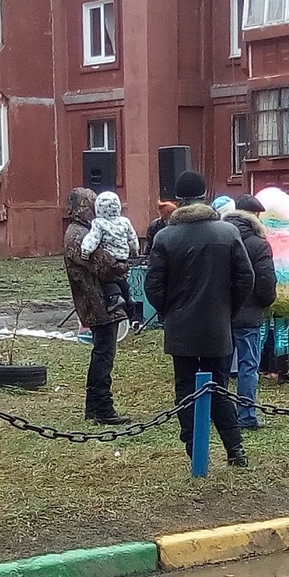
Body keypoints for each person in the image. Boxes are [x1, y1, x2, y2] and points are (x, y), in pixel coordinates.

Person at [143, 169, 256, 467]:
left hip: (181, 329)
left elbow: (152, 286)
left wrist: (169, 311)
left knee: (185, 389)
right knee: (219, 388)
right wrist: (227, 311)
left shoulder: (166, 236)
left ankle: (195, 453)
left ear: (178, 200)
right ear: (204, 196)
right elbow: (246, 279)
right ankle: (235, 449)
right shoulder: (228, 232)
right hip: (218, 326)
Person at [63, 187, 131, 424]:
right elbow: (104, 264)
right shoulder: (80, 234)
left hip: (97, 301)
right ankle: (102, 408)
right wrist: (122, 266)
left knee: (101, 353)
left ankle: (93, 408)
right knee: (104, 355)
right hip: (99, 303)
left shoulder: (77, 230)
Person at [222, 193, 278, 429]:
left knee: (220, 367)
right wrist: (264, 303)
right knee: (248, 366)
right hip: (249, 314)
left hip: (222, 313)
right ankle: (246, 415)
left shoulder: (221, 237)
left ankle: (219, 413)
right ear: (254, 216)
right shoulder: (258, 243)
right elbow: (266, 281)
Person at [258, 187, 289, 384]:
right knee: (282, 331)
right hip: (288, 289)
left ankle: (258, 367)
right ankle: (281, 371)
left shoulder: (262, 238)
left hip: (266, 287)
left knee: (261, 330)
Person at [80, 190, 139, 317]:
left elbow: (93, 238)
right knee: (122, 278)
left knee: (107, 279)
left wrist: (86, 250)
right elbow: (132, 237)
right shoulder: (125, 221)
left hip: (108, 258)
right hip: (123, 257)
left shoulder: (99, 223)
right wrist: (134, 249)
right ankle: (129, 298)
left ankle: (115, 297)